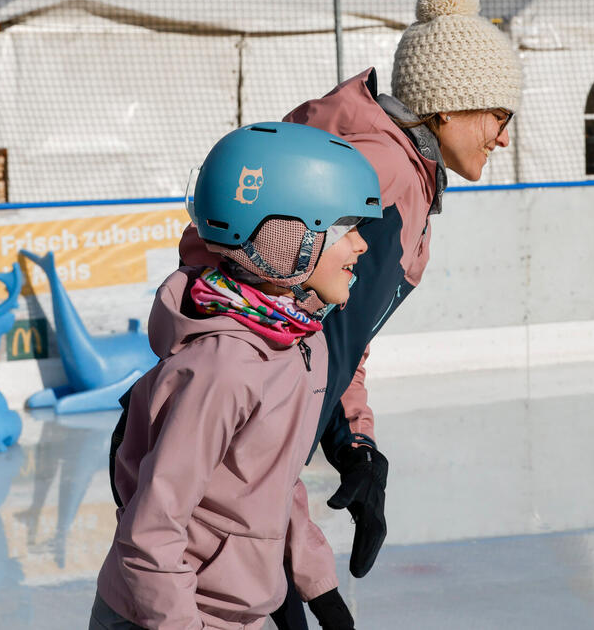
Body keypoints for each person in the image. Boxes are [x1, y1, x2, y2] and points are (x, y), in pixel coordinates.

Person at [180, 0, 522, 627]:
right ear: (446, 106)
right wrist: (305, 573)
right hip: (231, 501)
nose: (503, 136)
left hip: (255, 498)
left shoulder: (401, 175)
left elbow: (330, 335)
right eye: (498, 114)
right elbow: (273, 351)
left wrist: (354, 444)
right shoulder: (382, 178)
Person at [92, 122, 381, 630]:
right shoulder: (224, 366)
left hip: (234, 610)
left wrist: (318, 584)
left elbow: (270, 479)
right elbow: (152, 532)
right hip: (163, 615)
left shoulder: (298, 337)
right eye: (345, 229)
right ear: (288, 236)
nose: (361, 245)